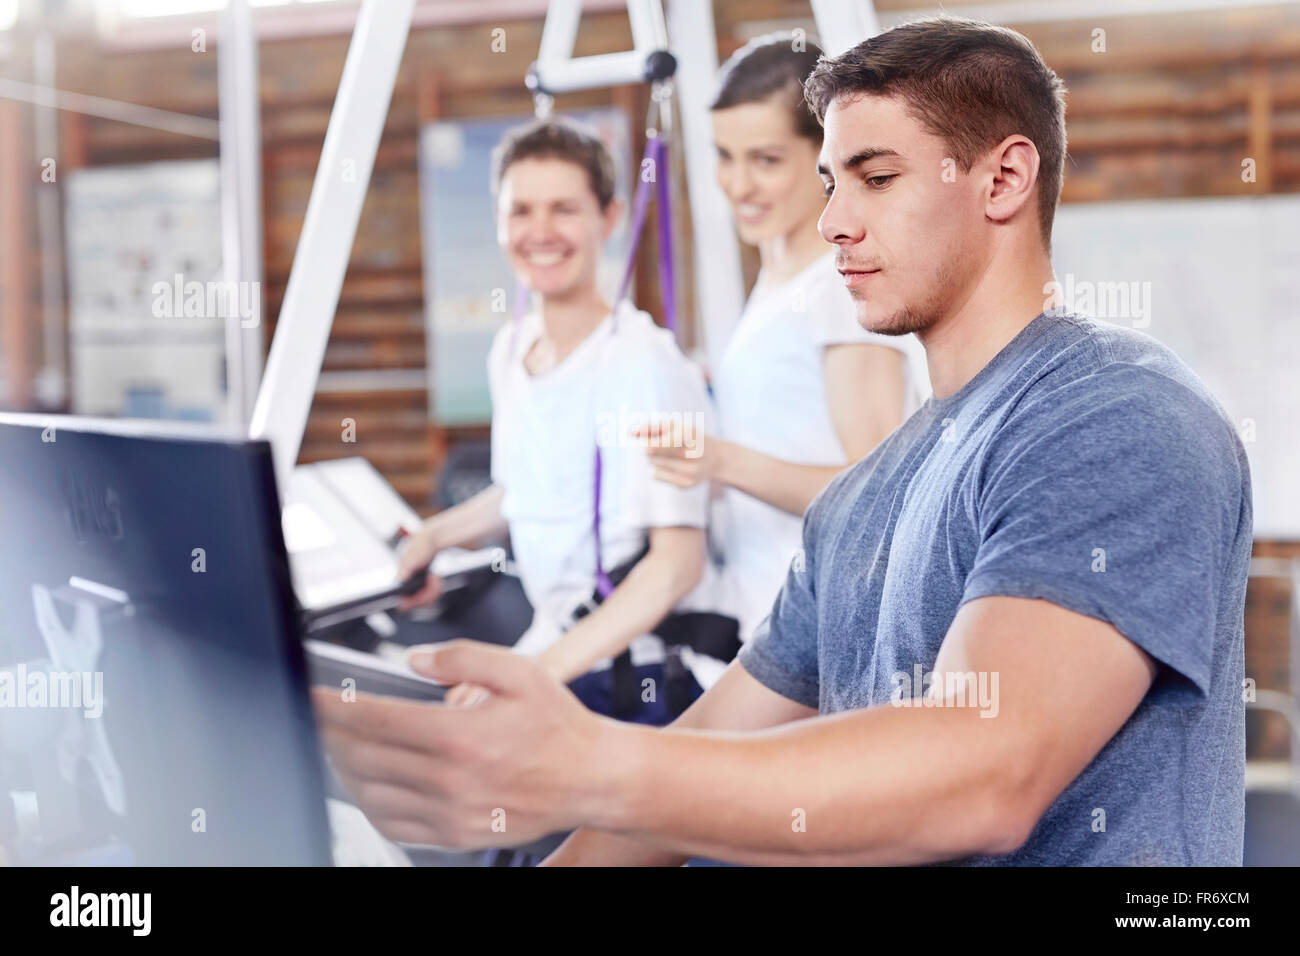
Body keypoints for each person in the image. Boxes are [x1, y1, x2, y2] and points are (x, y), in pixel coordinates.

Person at [314, 17, 1252, 866]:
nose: (837, 222)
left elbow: (985, 775)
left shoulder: (1114, 415)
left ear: (1004, 178)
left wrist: (588, 765)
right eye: (831, 183)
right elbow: (706, 745)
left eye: (877, 179)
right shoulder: (861, 500)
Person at [394, 118, 727, 725]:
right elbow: (523, 492)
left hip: (634, 673)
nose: (540, 232)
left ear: (609, 217)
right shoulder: (510, 350)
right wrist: (432, 538)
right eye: (521, 211)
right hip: (552, 653)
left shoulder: (646, 364)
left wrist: (532, 676)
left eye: (563, 209)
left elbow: (678, 565)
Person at [642, 34, 926, 643]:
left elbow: (875, 495)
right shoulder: (777, 281)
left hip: (828, 635)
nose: (738, 184)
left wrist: (719, 460)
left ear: (825, 155)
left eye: (766, 160)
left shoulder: (838, 286)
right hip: (768, 624)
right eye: (724, 155)